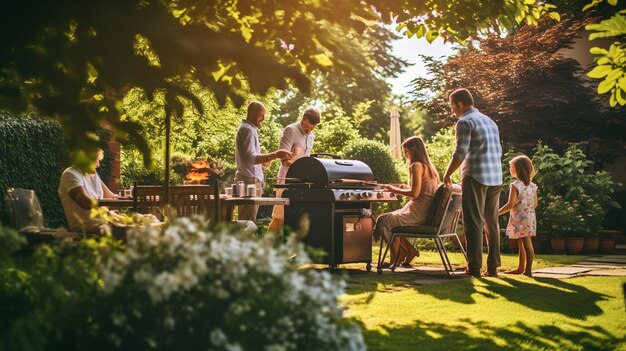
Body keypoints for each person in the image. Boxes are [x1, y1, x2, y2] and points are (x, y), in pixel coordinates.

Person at [443, 88, 503, 278]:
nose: (452, 109)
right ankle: (493, 267)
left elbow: (460, 152)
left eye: (452, 105)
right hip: (496, 177)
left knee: (473, 222)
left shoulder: (464, 121)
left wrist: (446, 174)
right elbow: (499, 150)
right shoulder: (490, 121)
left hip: (476, 176)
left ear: (459, 104)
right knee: (491, 223)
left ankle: (474, 267)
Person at [374, 136, 439, 268]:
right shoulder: (429, 167)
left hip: (418, 211)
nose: (406, 156)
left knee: (387, 221)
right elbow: (421, 191)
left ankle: (395, 258)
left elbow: (414, 194)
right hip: (425, 210)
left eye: (406, 152)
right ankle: (409, 250)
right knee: (384, 218)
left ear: (413, 150)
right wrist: (403, 188)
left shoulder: (416, 165)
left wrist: (394, 190)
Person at [235, 101, 292, 221]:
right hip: (249, 182)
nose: (264, 118)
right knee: (247, 222)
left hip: (249, 180)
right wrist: (275, 154)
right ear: (251, 113)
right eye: (261, 115)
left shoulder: (249, 129)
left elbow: (249, 157)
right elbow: (251, 158)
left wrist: (262, 161)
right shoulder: (248, 130)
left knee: (248, 221)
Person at [267, 107, 321, 233]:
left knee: (297, 220)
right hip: (286, 180)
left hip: (302, 183)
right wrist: (302, 166)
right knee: (279, 218)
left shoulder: (311, 136)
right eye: (307, 127)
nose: (309, 131)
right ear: (303, 120)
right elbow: (283, 160)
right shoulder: (290, 130)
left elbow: (306, 159)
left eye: (312, 128)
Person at [58, 149, 119, 233]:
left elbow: (111, 197)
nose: (98, 165)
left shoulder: (93, 175)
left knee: (139, 222)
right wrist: (107, 207)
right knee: (123, 230)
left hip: (104, 221)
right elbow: (86, 203)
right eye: (97, 160)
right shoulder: (70, 174)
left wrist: (128, 197)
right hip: (85, 226)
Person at [498, 155, 537, 277]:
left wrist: (496, 213)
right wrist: (528, 211)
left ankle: (528, 270)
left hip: (520, 218)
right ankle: (521, 268)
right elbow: (535, 204)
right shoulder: (533, 186)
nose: (510, 170)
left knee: (526, 243)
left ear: (518, 169)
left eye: (511, 167)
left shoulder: (515, 185)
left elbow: (510, 204)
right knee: (522, 243)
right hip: (530, 217)